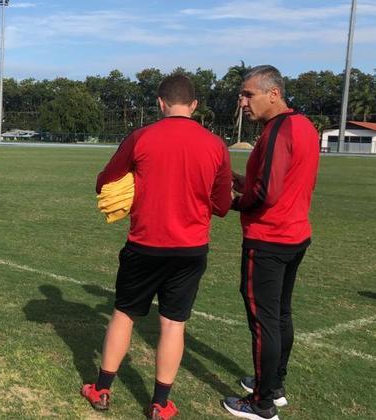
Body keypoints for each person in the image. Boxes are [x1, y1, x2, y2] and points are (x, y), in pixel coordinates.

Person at [81, 74, 231, 418]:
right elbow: (222, 205)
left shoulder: (141, 137)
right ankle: (160, 404)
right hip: (191, 249)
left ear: (160, 103)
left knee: (124, 314)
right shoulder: (215, 145)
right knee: (173, 324)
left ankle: (101, 389)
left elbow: (104, 181)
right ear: (194, 105)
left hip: (145, 244)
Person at [222, 66, 320, 420]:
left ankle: (261, 403)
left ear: (273, 94)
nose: (243, 102)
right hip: (295, 235)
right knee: (280, 314)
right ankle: (274, 385)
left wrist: (231, 202)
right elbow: (277, 180)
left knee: (264, 322)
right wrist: (237, 180)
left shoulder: (277, 131)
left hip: (268, 238)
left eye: (248, 95)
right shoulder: (303, 125)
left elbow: (265, 193)